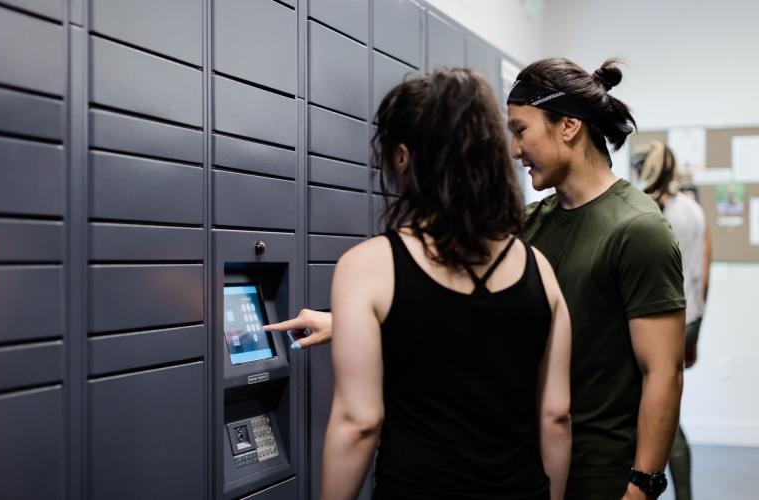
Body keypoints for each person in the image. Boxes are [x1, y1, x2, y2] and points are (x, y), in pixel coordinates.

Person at [268, 58, 686, 500]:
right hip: (535, 464)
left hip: (601, 475)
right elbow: (474, 314)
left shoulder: (638, 229)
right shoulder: (528, 227)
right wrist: (355, 324)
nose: (513, 149)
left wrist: (642, 485)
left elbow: (663, 371)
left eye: (521, 130)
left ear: (567, 127)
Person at [313, 68, 572, 500]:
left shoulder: (368, 267)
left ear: (402, 157)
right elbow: (557, 415)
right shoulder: (539, 270)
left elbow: (358, 423)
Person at [631, 141, 712, 500]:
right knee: (669, 408)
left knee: (665, 416)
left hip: (658, 322)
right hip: (690, 317)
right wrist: (695, 334)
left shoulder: (643, 213)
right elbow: (703, 274)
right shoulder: (693, 210)